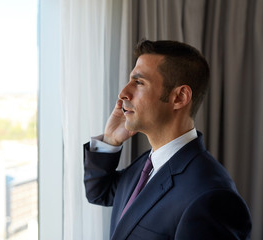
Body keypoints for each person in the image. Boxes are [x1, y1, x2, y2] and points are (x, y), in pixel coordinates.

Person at [83, 40, 252, 240]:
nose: (123, 93)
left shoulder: (212, 197)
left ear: (180, 97)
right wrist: (110, 140)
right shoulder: (147, 164)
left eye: (139, 82)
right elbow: (99, 193)